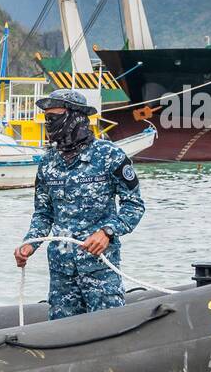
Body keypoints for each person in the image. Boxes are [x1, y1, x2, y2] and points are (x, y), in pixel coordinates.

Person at [14, 88, 145, 320]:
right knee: (63, 335)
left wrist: (107, 232)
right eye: (47, 119)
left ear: (75, 117)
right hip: (62, 273)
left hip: (100, 269)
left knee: (109, 330)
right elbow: (44, 214)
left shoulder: (109, 156)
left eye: (54, 118)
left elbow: (133, 205)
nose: (49, 124)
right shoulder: (47, 163)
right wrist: (30, 244)